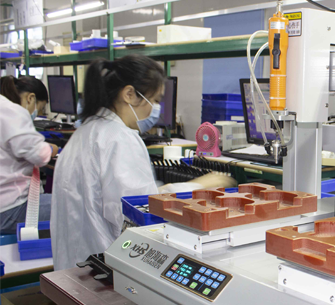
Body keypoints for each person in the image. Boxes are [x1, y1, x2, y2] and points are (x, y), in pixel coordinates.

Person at [51, 56, 234, 270]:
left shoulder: (86, 131)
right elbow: (140, 210)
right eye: (154, 100)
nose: (155, 109)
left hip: (72, 266)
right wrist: (198, 187)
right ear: (129, 94)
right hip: (105, 269)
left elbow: (123, 197)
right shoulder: (119, 138)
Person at [0, 77, 58, 234]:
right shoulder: (11, 112)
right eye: (39, 108)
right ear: (30, 98)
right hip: (9, 211)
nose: (35, 113)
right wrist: (51, 148)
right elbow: (39, 155)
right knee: (74, 205)